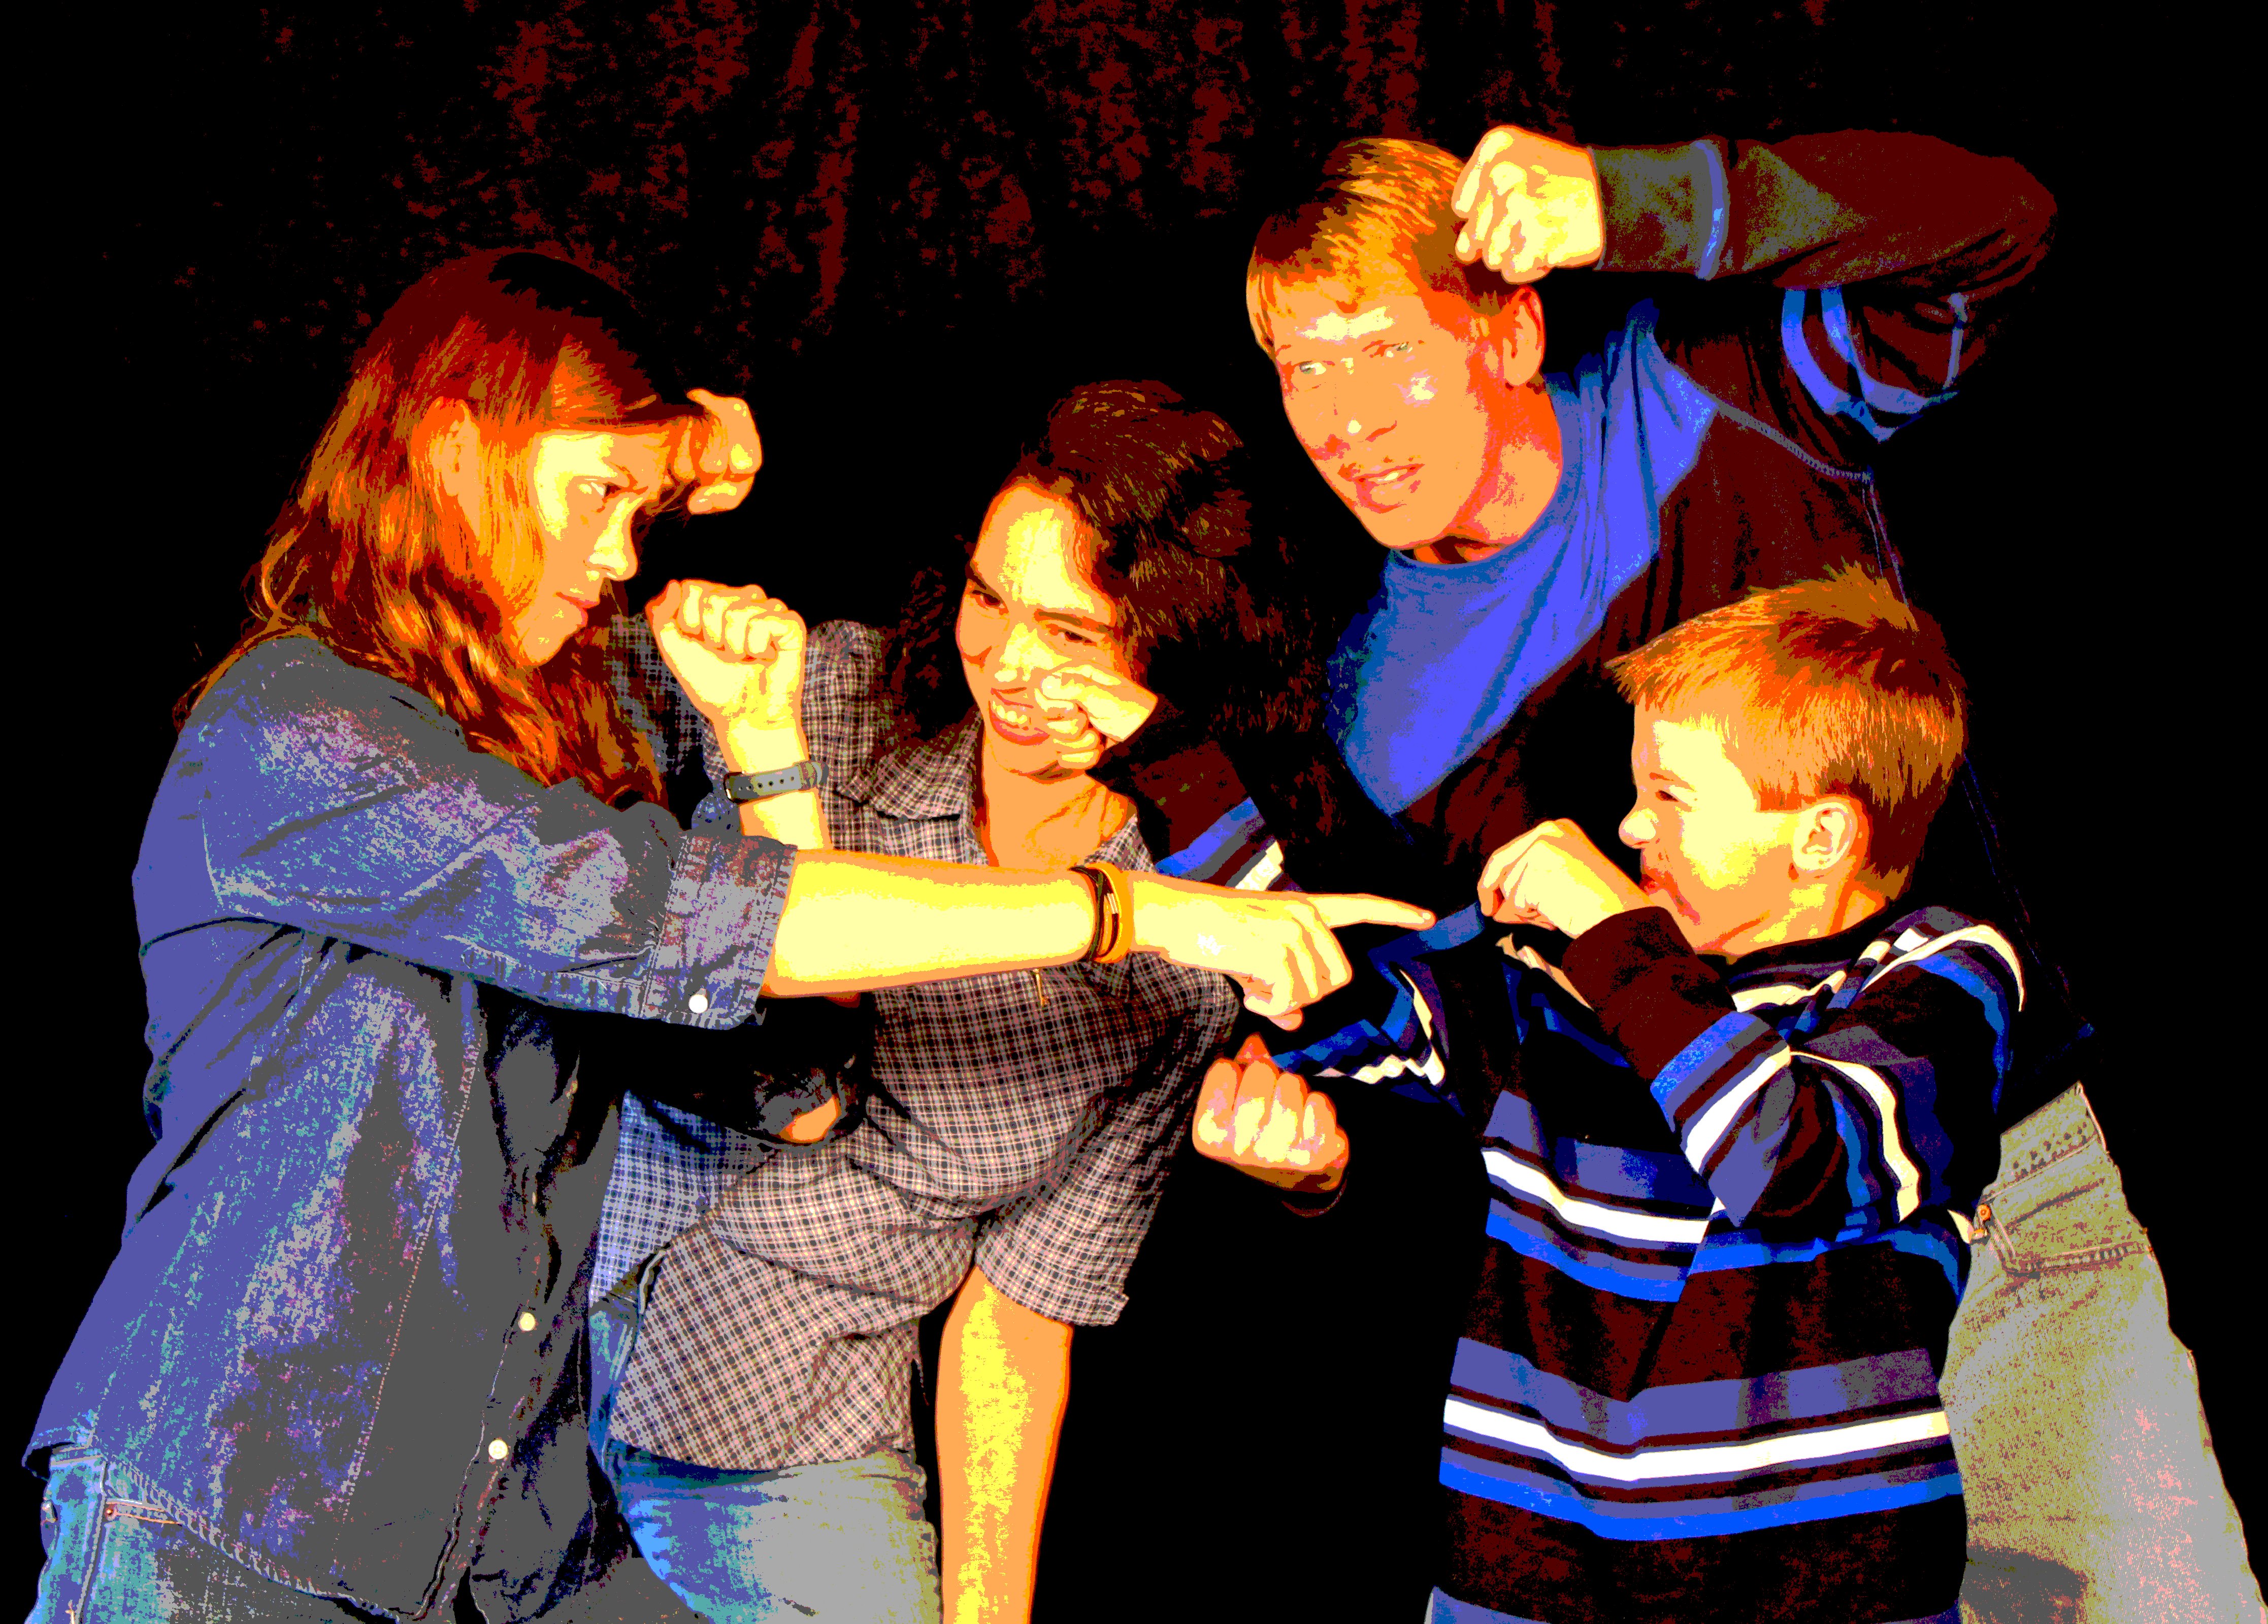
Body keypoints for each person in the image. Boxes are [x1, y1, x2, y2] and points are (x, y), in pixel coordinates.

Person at [23, 253, 1427, 1624]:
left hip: (513, 1513)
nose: (626, 554)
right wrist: (1136, 911)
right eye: (598, 498)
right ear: (452, 455)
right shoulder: (295, 731)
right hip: (235, 1505)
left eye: (640, 510)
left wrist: (760, 742)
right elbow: (671, 917)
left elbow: (789, 1082)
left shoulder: (565, 729)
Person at [1039, 118, 2066, 1618]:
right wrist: (1167, 764)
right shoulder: (1381, 709)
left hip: (1975, 1173)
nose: (1341, 420)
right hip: (1658, 1313)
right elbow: (1426, 1019)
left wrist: (1638, 203)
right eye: (1302, 369)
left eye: (1384, 351)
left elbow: (1996, 228)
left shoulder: (1718, 384)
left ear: (1513, 329)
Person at [585, 381, 1317, 1624]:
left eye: (1073, 634)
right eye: (989, 600)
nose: (1011, 667)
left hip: (776, 1419)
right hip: (519, 1315)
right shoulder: (824, 689)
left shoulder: (1192, 954)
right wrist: (657, 497)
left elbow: (1019, 1315)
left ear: (1185, 643)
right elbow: (486, 692)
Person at [1209, 570, 2006, 1622]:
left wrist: (1611, 929)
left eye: (1669, 797)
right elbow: (1340, 1004)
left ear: (1818, 838)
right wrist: (1168, 767)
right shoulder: (1554, 983)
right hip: (1518, 1594)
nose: (1628, 828)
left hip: (1829, 1600)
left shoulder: (1937, 975)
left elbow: (1786, 1164)